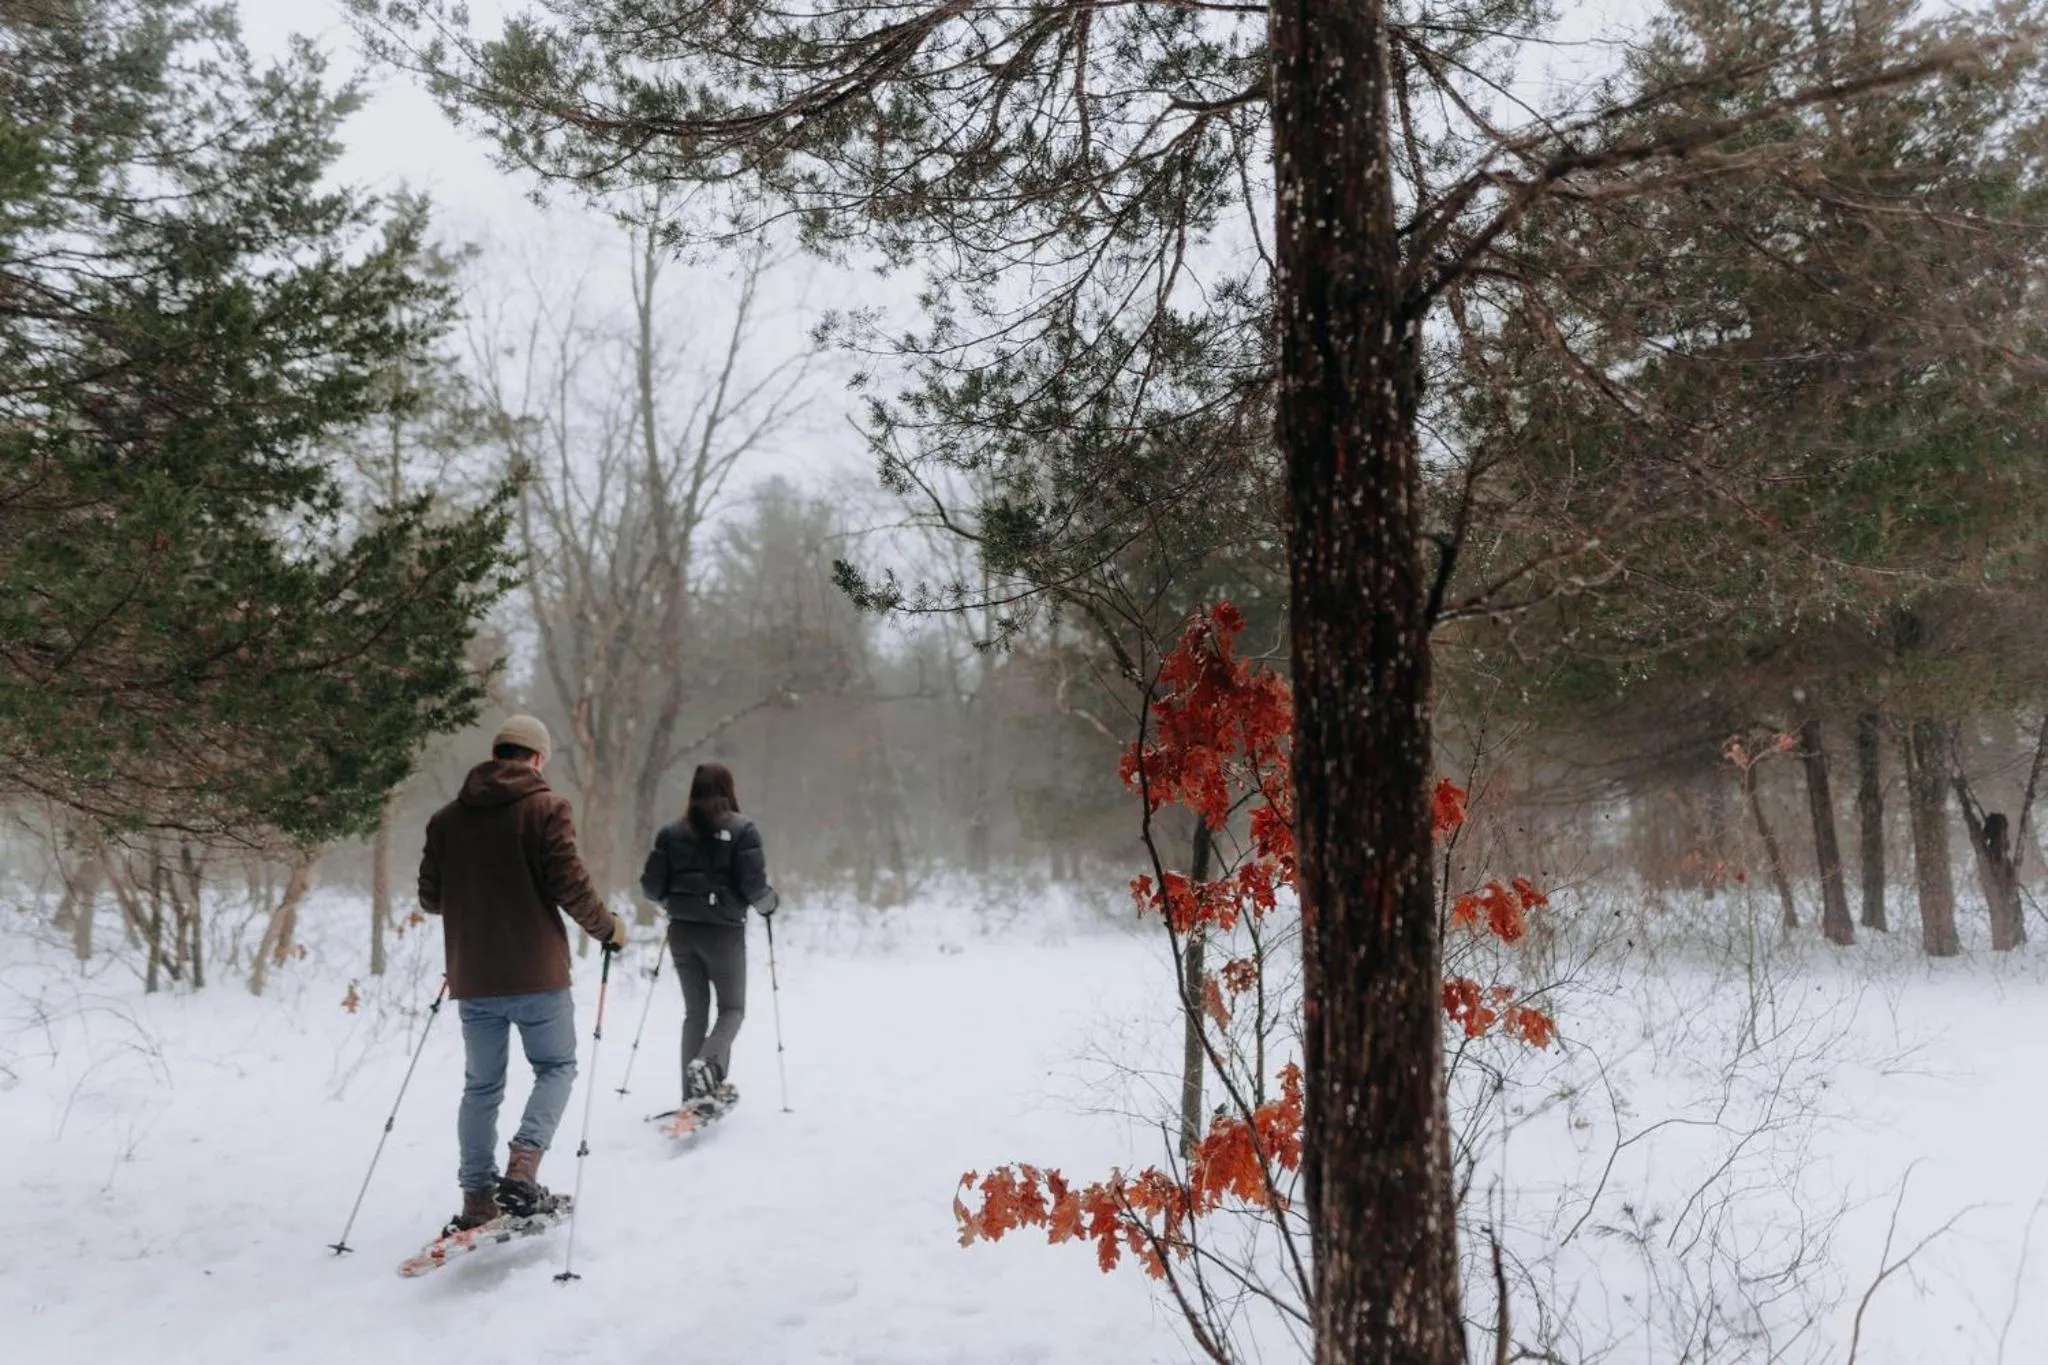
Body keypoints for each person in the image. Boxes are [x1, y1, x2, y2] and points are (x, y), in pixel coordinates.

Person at [418, 715, 627, 1235]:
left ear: (496, 752)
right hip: (537, 974)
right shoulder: (547, 808)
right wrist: (609, 930)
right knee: (557, 1067)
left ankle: (477, 1200)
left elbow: (430, 898)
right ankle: (523, 1166)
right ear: (536, 758)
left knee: (481, 1087)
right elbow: (570, 886)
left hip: (475, 976)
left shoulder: (447, 820)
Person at [639, 761, 779, 1106]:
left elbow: (651, 887)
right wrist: (769, 904)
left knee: (695, 1012)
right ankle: (708, 1065)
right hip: (724, 934)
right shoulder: (744, 830)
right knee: (732, 1009)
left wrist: (674, 899)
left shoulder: (670, 834)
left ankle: (694, 1093)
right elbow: (754, 888)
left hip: (682, 933)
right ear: (728, 790)